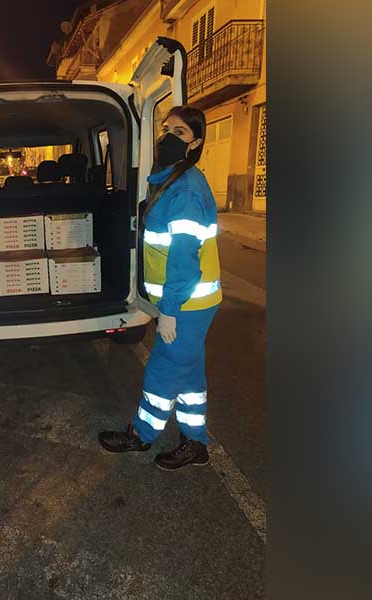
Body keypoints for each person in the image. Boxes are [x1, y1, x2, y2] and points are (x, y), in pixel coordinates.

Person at [98, 106, 222, 470]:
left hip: (186, 304)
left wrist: (168, 310)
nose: (167, 136)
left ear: (195, 142)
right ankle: (195, 442)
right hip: (188, 302)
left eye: (180, 133)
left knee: (162, 372)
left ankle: (141, 435)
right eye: (166, 128)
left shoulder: (184, 191)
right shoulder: (169, 182)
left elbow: (184, 261)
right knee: (191, 374)